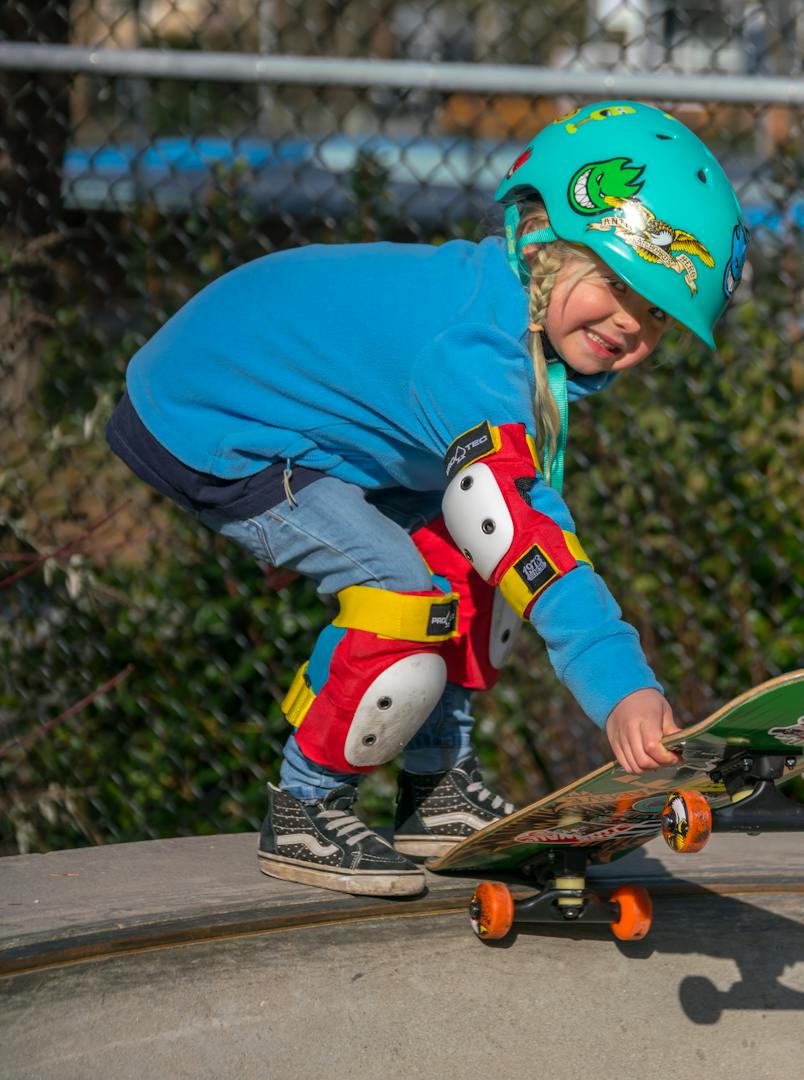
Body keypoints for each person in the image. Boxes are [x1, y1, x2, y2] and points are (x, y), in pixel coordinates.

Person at [106, 100, 748, 898]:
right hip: (212, 415)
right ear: (547, 242)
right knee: (402, 598)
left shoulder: (524, 335)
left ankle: (433, 787)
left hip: (292, 421)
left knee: (483, 569)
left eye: (655, 314)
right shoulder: (475, 351)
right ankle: (305, 806)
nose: (627, 324)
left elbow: (505, 529)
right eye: (616, 284)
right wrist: (620, 683)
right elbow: (518, 522)